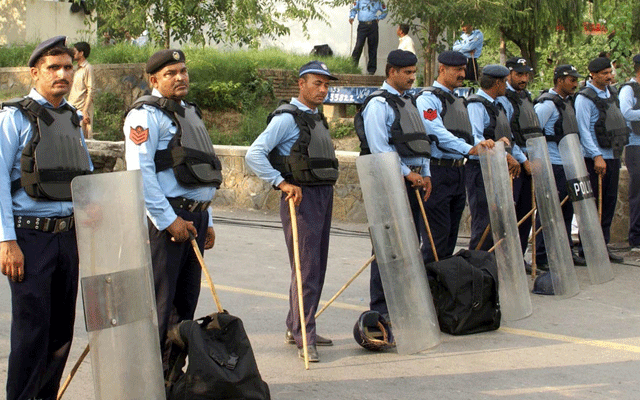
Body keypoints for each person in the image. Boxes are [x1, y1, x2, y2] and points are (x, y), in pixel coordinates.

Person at [0, 36, 93, 400]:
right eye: (53, 68)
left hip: (67, 238)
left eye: (68, 67)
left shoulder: (72, 118)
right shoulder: (13, 118)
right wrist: (6, 241)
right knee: (31, 334)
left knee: (60, 335)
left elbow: (82, 178)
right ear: (35, 72)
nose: (63, 74)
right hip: (29, 239)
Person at [124, 49, 219, 373]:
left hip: (195, 217)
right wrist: (168, 221)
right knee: (162, 308)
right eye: (170, 73)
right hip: (168, 220)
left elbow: (202, 168)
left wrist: (208, 218)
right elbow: (141, 175)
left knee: (185, 306)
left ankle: (173, 377)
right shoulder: (144, 116)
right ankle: (153, 379)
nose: (180, 77)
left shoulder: (189, 112)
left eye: (183, 71)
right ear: (154, 80)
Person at [245, 61, 340, 363]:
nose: (322, 89)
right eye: (317, 83)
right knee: (306, 268)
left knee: (316, 266)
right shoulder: (287, 119)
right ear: (301, 84)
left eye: (326, 85)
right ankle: (305, 337)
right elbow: (254, 153)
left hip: (322, 194)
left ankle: (295, 327)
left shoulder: (315, 118)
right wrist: (281, 183)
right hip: (301, 198)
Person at [355, 49, 431, 319]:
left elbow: (421, 142)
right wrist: (406, 172)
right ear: (391, 72)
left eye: (414, 72)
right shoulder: (378, 104)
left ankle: (405, 304)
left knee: (411, 243)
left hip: (413, 182)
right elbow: (379, 148)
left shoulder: (408, 101)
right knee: (387, 245)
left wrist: (426, 173)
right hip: (388, 182)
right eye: (407, 73)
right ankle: (382, 310)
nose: (412, 77)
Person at [416, 51, 494, 262]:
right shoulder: (428, 99)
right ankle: (430, 287)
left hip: (458, 170)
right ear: (442, 69)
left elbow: (470, 133)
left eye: (463, 69)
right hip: (437, 171)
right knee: (436, 239)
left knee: (450, 237)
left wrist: (481, 144)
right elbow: (435, 131)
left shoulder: (458, 100)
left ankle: (443, 287)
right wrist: (468, 148)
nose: (462, 74)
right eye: (457, 70)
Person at [574, 57, 628, 263]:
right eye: (604, 73)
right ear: (593, 75)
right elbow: (584, 130)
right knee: (593, 206)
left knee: (609, 204)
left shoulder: (612, 94)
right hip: (594, 159)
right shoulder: (584, 98)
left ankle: (603, 247)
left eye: (610, 72)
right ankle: (588, 250)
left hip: (612, 155)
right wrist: (596, 156)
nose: (609, 76)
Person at [465, 65, 520, 251]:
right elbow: (476, 138)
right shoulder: (476, 104)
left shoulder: (500, 105)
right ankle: (477, 269)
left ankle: (492, 267)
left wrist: (518, 158)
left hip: (497, 167)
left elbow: (508, 137)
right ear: (497, 83)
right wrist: (504, 155)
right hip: (481, 170)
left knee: (499, 222)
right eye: (504, 82)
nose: (506, 86)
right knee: (483, 223)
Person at [498, 57, 536, 261]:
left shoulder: (526, 97)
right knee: (510, 216)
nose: (523, 78)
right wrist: (522, 160)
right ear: (508, 74)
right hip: (514, 162)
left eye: (525, 74)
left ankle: (519, 258)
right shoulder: (504, 98)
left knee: (525, 214)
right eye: (519, 74)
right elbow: (509, 133)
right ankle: (507, 261)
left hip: (529, 159)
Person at [619, 54, 640, 251]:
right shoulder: (628, 89)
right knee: (637, 193)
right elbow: (625, 112)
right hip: (635, 145)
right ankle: (636, 238)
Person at [349, 0, 388, 75]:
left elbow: (385, 10)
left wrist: (379, 18)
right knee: (358, 46)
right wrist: (352, 17)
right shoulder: (359, 0)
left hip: (373, 25)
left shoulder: (378, 1)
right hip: (362, 26)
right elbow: (354, 9)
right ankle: (352, 66)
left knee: (373, 47)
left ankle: (371, 70)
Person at [68, 41, 95, 139]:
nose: (73, 54)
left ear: (81, 53)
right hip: (72, 108)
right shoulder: (76, 69)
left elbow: (91, 90)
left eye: (75, 51)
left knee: (84, 140)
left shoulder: (88, 68)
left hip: (82, 110)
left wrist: (85, 110)